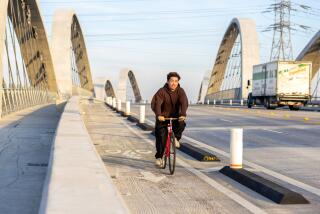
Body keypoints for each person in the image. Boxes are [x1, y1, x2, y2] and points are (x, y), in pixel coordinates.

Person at [151, 72, 188, 167]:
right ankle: (159, 157)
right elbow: (157, 104)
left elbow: (184, 102)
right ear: (168, 81)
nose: (174, 83)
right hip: (163, 118)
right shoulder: (162, 91)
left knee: (181, 123)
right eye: (172, 81)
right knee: (161, 137)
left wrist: (183, 114)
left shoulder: (180, 91)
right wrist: (159, 115)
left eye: (176, 81)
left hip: (175, 117)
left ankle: (176, 138)